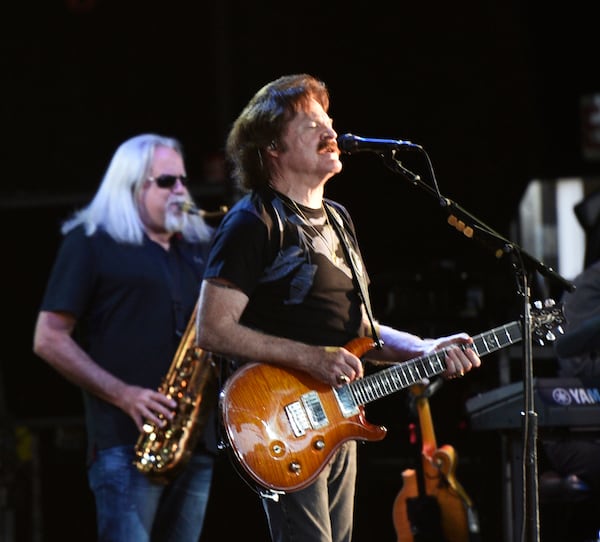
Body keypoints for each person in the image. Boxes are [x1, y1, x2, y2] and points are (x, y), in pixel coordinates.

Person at [194, 73, 482, 542]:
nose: (331, 133)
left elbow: (363, 332)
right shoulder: (253, 221)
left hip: (338, 417)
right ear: (272, 146)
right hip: (279, 420)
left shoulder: (340, 219)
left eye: (329, 121)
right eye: (311, 125)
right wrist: (312, 358)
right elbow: (213, 329)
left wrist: (426, 348)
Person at [32, 133, 217, 542]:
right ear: (131, 185)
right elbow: (48, 338)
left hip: (193, 442)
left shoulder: (197, 249)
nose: (182, 191)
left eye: (183, 180)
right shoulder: (91, 241)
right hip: (124, 442)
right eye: (167, 182)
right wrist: (124, 395)